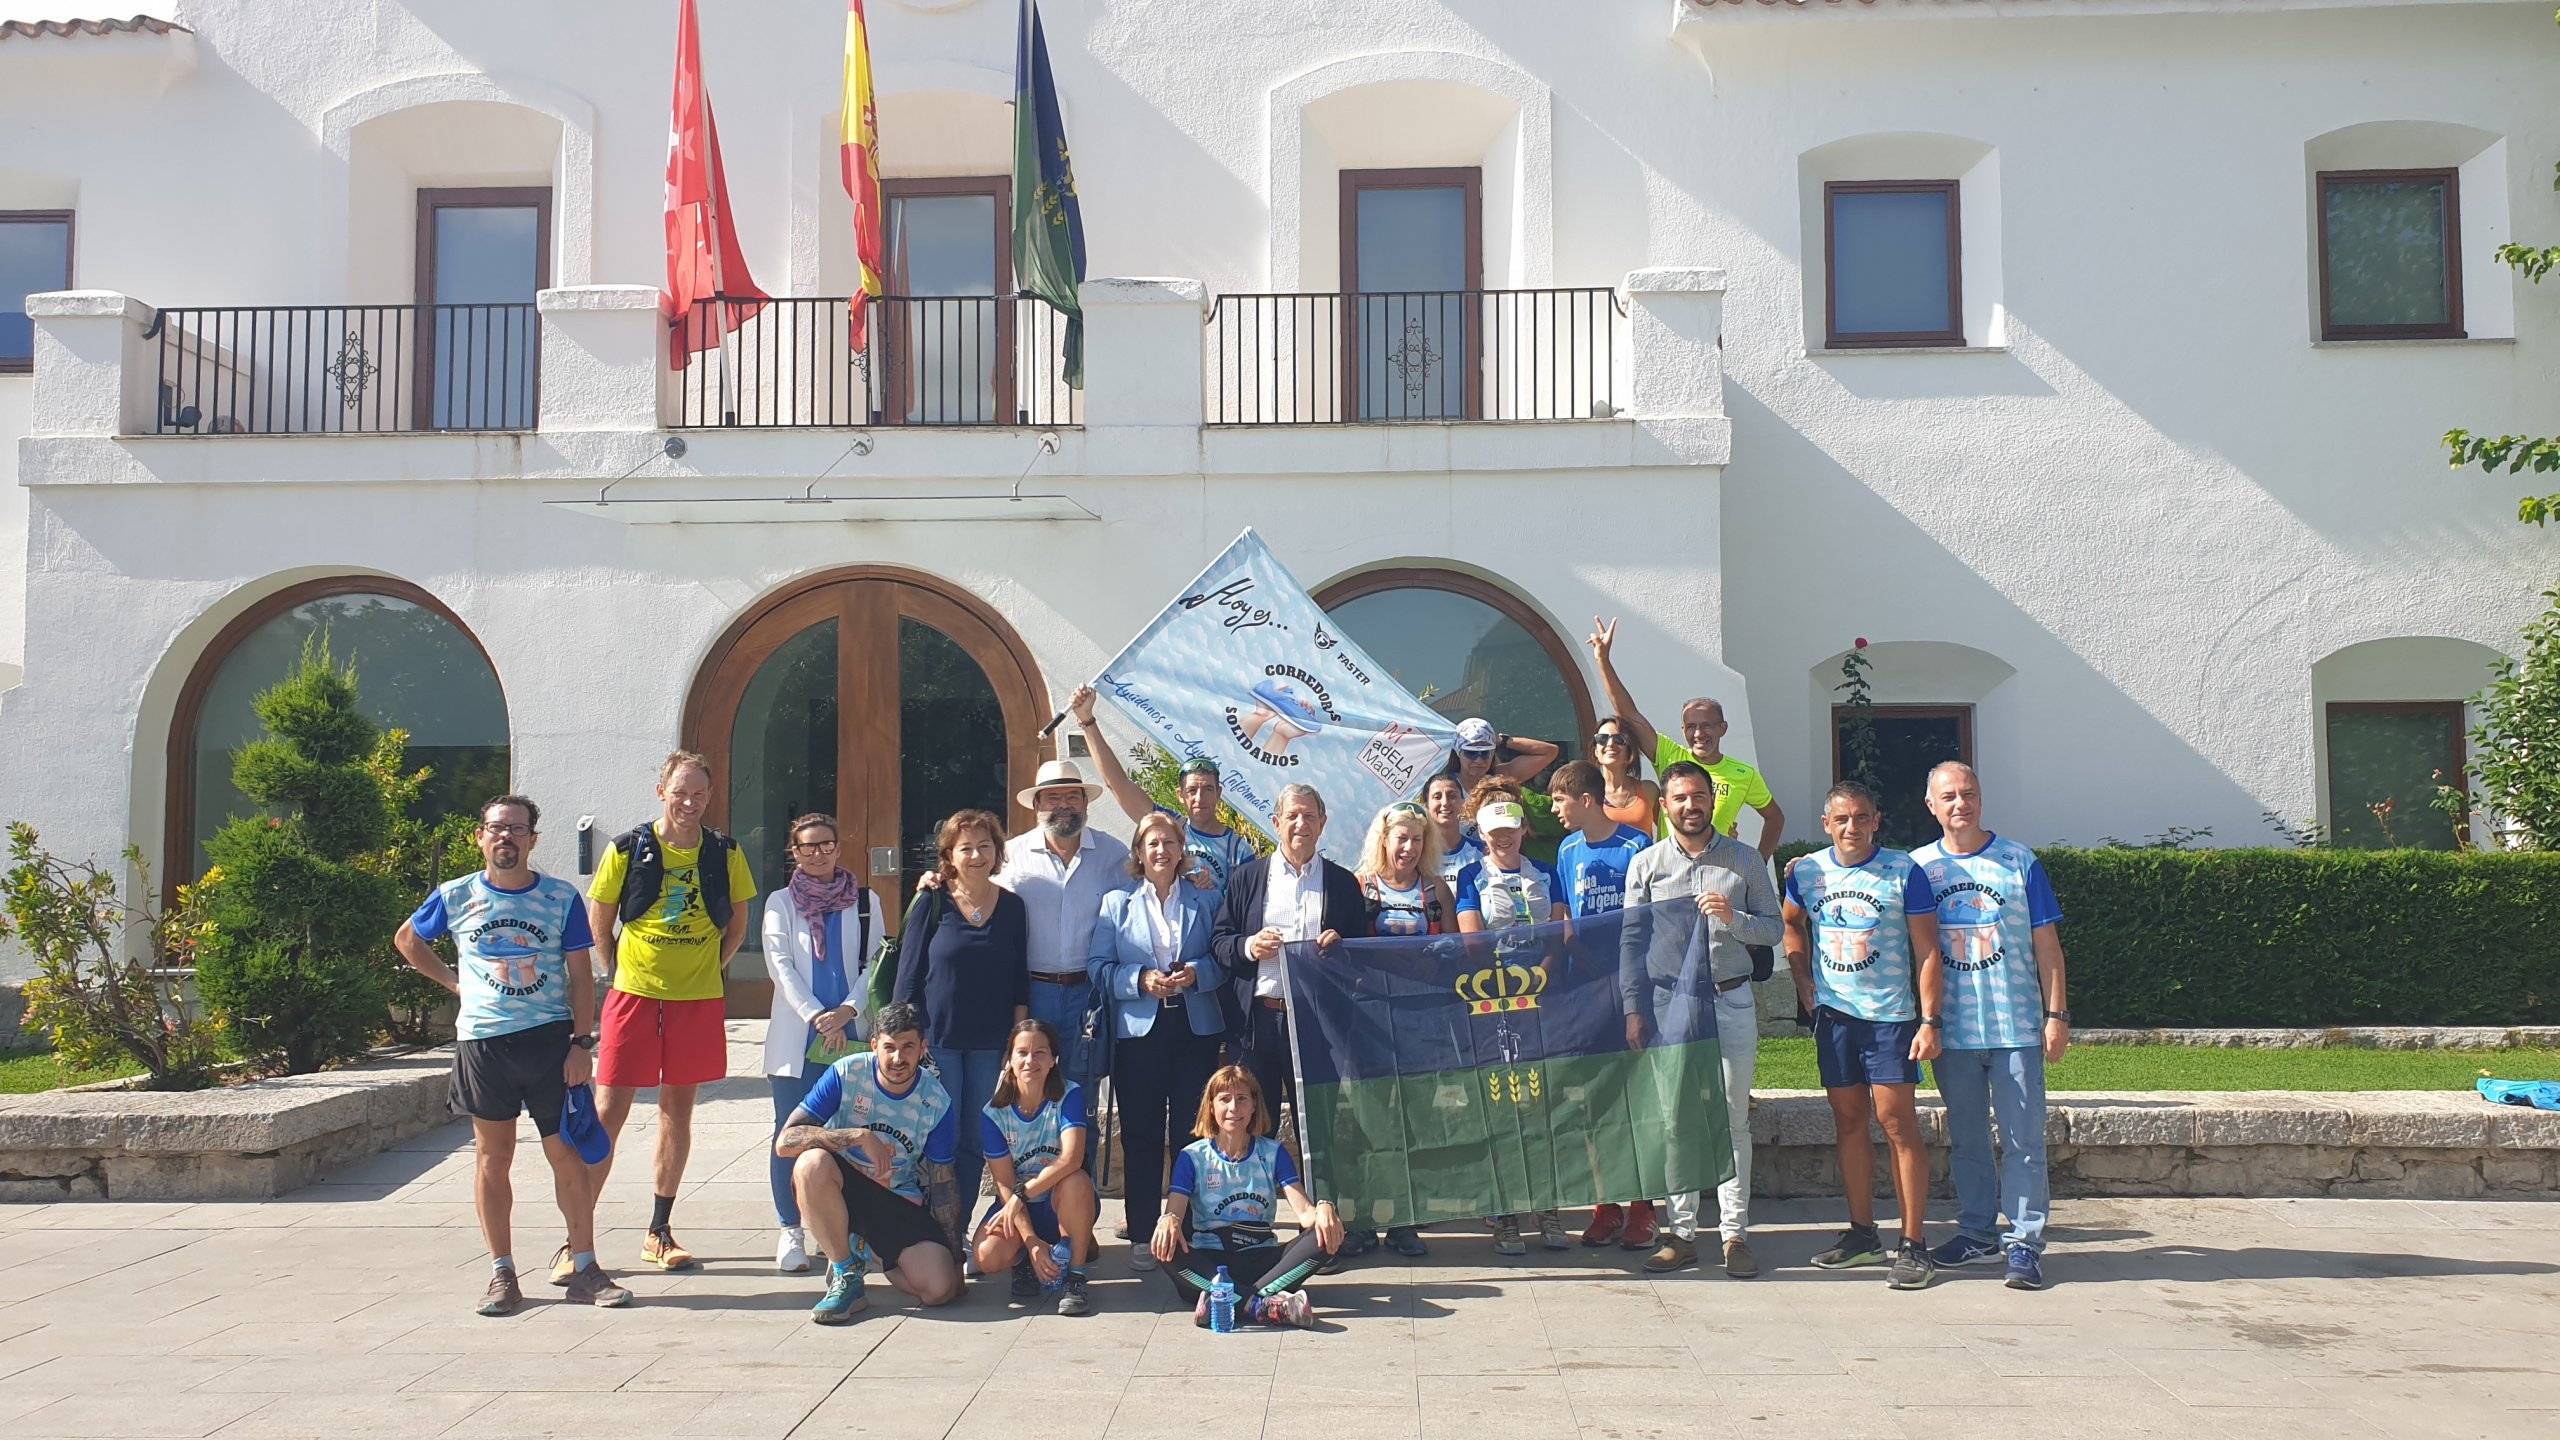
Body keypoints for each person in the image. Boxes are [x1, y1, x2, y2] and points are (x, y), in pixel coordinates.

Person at [394, 795, 632, 1314]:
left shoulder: (559, 897)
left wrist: (580, 1043)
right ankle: (503, 1274)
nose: (506, 838)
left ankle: (584, 1266)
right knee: (492, 1158)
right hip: (484, 1044)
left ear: (532, 840)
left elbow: (578, 974)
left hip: (549, 1042)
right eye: (496, 829)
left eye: (517, 830)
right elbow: (408, 939)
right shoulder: (455, 896)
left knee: (564, 1153)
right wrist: (455, 984)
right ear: (479, 836)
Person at [586, 751, 757, 1274]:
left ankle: (659, 1230)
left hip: (696, 1000)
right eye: (680, 791)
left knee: (676, 1112)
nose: (689, 802)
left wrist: (711, 967)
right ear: (661, 789)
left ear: (711, 796)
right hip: (633, 995)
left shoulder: (725, 853)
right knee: (607, 1112)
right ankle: (579, 1236)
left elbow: (738, 926)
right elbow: (601, 917)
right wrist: (616, 969)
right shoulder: (626, 848)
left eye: (699, 794)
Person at [1617, 761, 1784, 1278]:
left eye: (1699, 796)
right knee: (1677, 1119)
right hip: (1670, 1005)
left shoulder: (1743, 861)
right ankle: (1681, 1234)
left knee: (1733, 1119)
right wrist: (1632, 1009)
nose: (1691, 806)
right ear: (1664, 805)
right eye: (1680, 798)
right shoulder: (1647, 865)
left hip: (1730, 1000)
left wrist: (1734, 920)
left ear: (1713, 799)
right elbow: (1630, 941)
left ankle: (1735, 1235)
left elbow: (1774, 930)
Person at [1911, 762, 2069, 1292]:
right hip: (1952, 1031)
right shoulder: (1918, 868)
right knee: (1968, 1139)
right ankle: (1978, 1233)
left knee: (2024, 1140)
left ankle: (2024, 1242)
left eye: (1969, 794)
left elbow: (2048, 947)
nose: (1961, 804)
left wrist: (2056, 1016)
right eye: (1949, 796)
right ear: (1931, 805)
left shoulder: (2019, 861)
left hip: (2016, 1026)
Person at [1783, 780, 1943, 1291]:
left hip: (1890, 1017)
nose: (1852, 827)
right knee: (1848, 1121)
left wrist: (1929, 1019)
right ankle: (1862, 1234)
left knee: (1897, 1123)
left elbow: (1928, 950)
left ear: (1876, 820)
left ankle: (1914, 1244)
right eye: (1841, 819)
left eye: (1862, 817)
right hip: (1835, 1018)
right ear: (1826, 823)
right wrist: (1803, 981)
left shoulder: (1903, 870)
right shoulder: (1806, 872)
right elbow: (1791, 924)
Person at [1089, 810, 1228, 1273]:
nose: (1161, 851)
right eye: (1152, 843)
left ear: (1181, 849)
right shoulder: (1116, 904)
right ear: (1138, 852)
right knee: (1142, 1134)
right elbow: (1099, 968)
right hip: (1139, 1035)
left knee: (1190, 1135)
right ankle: (1146, 1230)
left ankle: (1188, 1228)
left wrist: (1197, 975)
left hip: (1194, 1029)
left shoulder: (1205, 900)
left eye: (1169, 842)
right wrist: (1140, 980)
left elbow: (1222, 957)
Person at [776, 1003, 965, 1323]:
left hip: (898, 1198)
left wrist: (954, 1257)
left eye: (908, 1047)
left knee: (938, 1291)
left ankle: (872, 1253)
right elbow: (786, 1141)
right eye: (889, 1047)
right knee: (811, 1163)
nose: (898, 1058)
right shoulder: (846, 1073)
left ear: (923, 1048)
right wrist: (855, 1136)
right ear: (874, 1044)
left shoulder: (936, 1101)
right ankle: (845, 1272)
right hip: (843, 1186)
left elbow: (942, 1182)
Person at [760, 812, 890, 1275]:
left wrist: (847, 1012)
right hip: (800, 1039)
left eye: (826, 844)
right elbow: (780, 965)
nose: (818, 854)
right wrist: (818, 1016)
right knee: (791, 1133)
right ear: (793, 852)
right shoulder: (780, 903)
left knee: (853, 1131)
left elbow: (874, 964)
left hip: (850, 1036)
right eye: (807, 846)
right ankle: (790, 1229)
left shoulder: (865, 901)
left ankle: (848, 1231)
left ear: (839, 846)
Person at [1211, 782, 1370, 1153]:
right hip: (1259, 1020)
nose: (1301, 824)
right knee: (1252, 1122)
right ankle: (1252, 1207)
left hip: (1316, 1022)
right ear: (1276, 822)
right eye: (1292, 816)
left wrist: (1340, 946)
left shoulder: (1343, 884)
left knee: (1317, 1122)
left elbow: (1359, 954)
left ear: (1323, 823)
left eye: (1309, 816)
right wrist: (1250, 946)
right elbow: (1219, 942)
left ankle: (1319, 1206)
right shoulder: (1248, 878)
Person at [1452, 780, 1570, 1256]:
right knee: (1500, 1108)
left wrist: (1539, 976)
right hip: (1492, 1002)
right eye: (1494, 831)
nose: (1503, 838)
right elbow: (1470, 940)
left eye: (1511, 829)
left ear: (1523, 828)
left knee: (1545, 1107)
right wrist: (1507, 986)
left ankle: (1549, 1210)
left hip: (1543, 999)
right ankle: (1504, 1216)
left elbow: (1561, 933)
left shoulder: (1547, 871)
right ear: (1482, 834)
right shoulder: (1469, 877)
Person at [1548, 761, 1660, 1253]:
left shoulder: (1635, 845)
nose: (1554, 810)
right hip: (1583, 987)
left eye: (1559, 800)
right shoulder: (1567, 849)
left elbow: (1649, 919)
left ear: (1587, 800)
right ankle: (1606, 1202)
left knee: (1636, 1096)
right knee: (1594, 1098)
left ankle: (1643, 1207)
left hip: (1629, 984)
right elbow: (1565, 913)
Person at [894, 809, 1030, 1214]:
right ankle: (932, 1225)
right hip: (940, 1042)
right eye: (965, 848)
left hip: (991, 1043)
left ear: (997, 852)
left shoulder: (1012, 907)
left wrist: (1018, 1038)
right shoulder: (932, 900)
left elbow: (1019, 975)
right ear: (949, 855)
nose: (976, 855)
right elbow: (908, 974)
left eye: (984, 846)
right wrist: (906, 1039)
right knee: (941, 1138)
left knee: (974, 1140)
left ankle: (959, 1229)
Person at [1151, 1065, 1344, 1328]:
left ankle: (1226, 1302)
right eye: (1224, 1099)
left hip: (1264, 1261)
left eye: (1242, 1098)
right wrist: (1168, 1220)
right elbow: (1174, 1212)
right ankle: (1261, 1306)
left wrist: (1325, 1209)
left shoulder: (1273, 1152)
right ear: (1211, 1107)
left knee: (1323, 1236)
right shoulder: (1192, 1157)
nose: (1233, 1108)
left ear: (1254, 1106)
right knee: (1165, 1248)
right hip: (1211, 1264)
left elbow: (1305, 1213)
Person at [1350, 800, 1455, 1259]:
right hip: (1370, 1020)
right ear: (1384, 840)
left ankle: (1406, 1221)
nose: (1409, 848)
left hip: (1420, 1022)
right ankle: (1362, 1219)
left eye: (1417, 839)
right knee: (1367, 1122)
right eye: (1402, 838)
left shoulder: (1435, 890)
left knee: (1414, 1122)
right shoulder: (1361, 889)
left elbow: (1455, 950)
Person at [1586, 618, 1786, 857]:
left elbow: (1775, 818)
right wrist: (1603, 661)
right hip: (1671, 872)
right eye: (1691, 727)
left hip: (1719, 871)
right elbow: (1628, 714)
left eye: (1707, 726)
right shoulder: (1671, 755)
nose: (1699, 734)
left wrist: (1758, 862)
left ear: (1723, 728)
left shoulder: (1744, 774)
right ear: (1683, 731)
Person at [995, 757, 1132, 1086]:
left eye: (1073, 797)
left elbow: (1148, 898)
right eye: (1053, 798)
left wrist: (1193, 873)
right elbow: (975, 896)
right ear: (1037, 804)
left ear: (1086, 804)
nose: (1064, 806)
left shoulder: (1114, 855)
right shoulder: (1011, 857)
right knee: (1029, 1089)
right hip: (1031, 992)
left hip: (1089, 993)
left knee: (1082, 1092)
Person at [1070, 684, 1258, 901]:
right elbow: (1118, 784)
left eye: (1208, 789)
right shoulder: (1167, 826)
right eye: (1192, 790)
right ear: (1181, 794)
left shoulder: (1238, 850)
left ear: (1219, 793)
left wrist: (1212, 892)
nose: (1199, 798)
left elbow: (1243, 907)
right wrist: (1087, 721)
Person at [972, 1018, 1100, 1315]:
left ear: (1054, 1060)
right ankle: (1024, 1263)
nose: (1031, 1060)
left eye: (1040, 1052)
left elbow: (1071, 1158)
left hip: (1059, 1199)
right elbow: (1003, 1183)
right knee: (986, 1257)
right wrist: (1030, 1243)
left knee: (1077, 1180)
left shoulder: (1070, 1094)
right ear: (1009, 1059)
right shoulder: (993, 1113)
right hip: (1018, 1206)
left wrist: (1021, 1195)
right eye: (1022, 1052)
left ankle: (1076, 1276)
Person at [1449, 716, 1564, 854]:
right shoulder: (1444, 788)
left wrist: (1504, 741)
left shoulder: (1501, 777)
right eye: (1471, 753)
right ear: (1458, 752)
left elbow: (1550, 751)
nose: (1479, 760)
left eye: (1485, 753)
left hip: (1500, 861)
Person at [1589, 715, 1661, 837]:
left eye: (1619, 739)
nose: (1610, 744)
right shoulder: (1588, 795)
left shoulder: (1649, 790)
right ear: (1596, 751)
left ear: (1629, 749)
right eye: (1602, 739)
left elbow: (1670, 830)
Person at [1423, 772, 1484, 883]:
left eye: (1452, 796)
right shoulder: (1416, 853)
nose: (1445, 803)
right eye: (1437, 797)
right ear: (1426, 805)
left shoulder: (1482, 852)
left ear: (1463, 802)